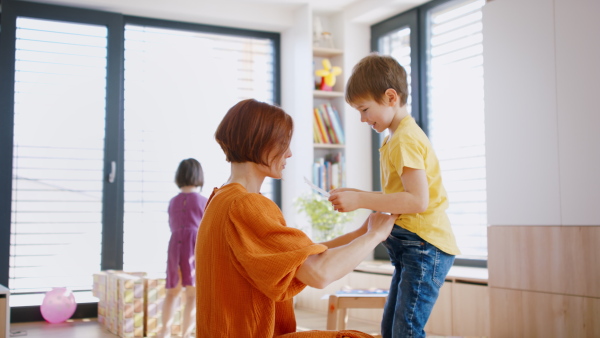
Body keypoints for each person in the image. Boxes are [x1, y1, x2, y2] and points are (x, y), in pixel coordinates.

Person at [195, 98, 397, 338]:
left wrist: (360, 233)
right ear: (260, 144)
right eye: (283, 144)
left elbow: (302, 255)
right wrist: (375, 236)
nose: (289, 153)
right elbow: (319, 273)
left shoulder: (221, 200)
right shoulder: (246, 205)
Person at [327, 54, 461, 338]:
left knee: (405, 331)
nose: (362, 119)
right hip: (411, 247)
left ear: (390, 97)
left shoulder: (404, 139)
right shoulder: (395, 137)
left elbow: (417, 201)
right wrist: (358, 194)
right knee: (391, 330)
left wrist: (361, 200)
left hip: (425, 247)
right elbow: (401, 195)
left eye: (364, 110)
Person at [160, 158, 208, 338]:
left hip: (175, 247)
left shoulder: (173, 202)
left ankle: (164, 332)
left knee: (172, 293)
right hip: (193, 247)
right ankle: (185, 334)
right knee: (192, 295)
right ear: (199, 176)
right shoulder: (203, 200)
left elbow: (172, 225)